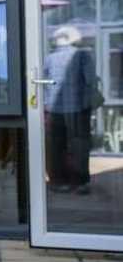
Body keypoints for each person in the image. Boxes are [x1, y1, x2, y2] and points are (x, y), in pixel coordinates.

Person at [44, 25, 98, 194]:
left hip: (53, 109)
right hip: (78, 108)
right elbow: (90, 80)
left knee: (55, 146)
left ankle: (58, 181)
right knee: (79, 144)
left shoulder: (49, 58)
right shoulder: (82, 55)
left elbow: (43, 82)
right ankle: (80, 183)